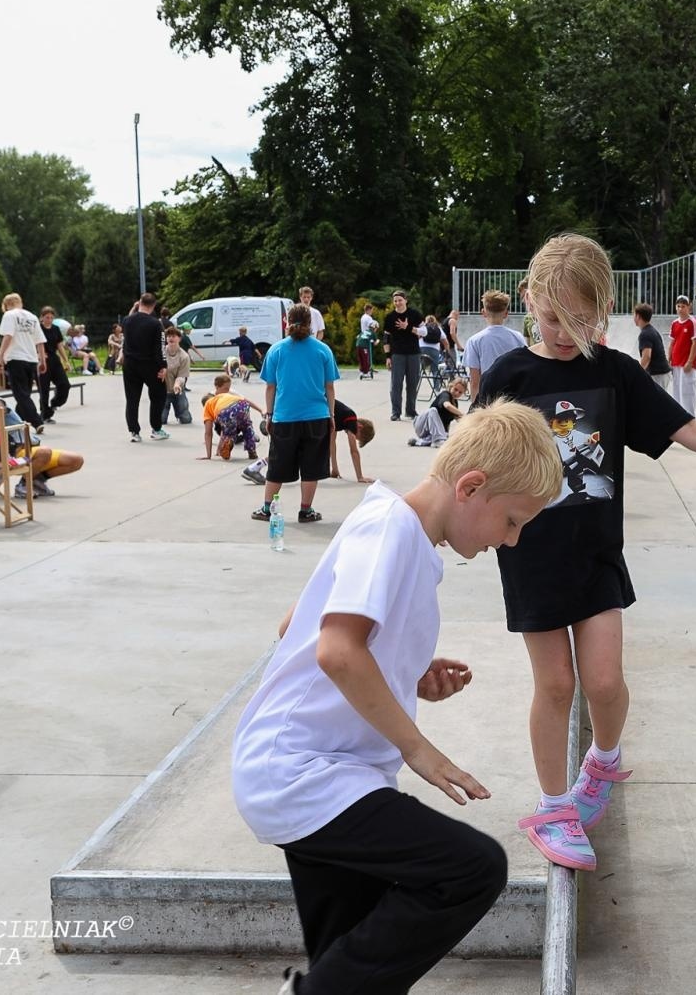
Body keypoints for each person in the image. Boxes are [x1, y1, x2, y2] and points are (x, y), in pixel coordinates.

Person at [475, 234, 696, 870]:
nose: (567, 333)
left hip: (597, 552)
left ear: (604, 309)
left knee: (603, 681)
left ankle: (603, 760)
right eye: (553, 319)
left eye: (582, 320)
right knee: (555, 683)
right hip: (532, 555)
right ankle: (552, 807)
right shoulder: (510, 376)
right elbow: (467, 459)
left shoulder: (615, 372)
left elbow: (687, 430)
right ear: (529, 301)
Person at [231, 401, 560, 995]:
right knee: (472, 869)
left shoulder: (396, 532)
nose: (510, 542)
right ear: (471, 487)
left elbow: (297, 626)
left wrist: (402, 669)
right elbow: (334, 650)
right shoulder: (389, 529)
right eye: (512, 521)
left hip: (327, 773)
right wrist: (420, 750)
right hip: (304, 774)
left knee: (354, 963)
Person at [254, 303, 340, 524]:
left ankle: (266, 509)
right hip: (316, 416)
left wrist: (269, 414)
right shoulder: (322, 350)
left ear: (286, 322)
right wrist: (331, 415)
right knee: (312, 466)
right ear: (311, 323)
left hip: (285, 417)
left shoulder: (277, 350)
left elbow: (270, 387)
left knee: (277, 465)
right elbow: (329, 387)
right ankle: (306, 510)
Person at [120, 293, 169, 443]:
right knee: (158, 395)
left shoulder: (127, 321)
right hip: (149, 365)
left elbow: (126, 337)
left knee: (132, 398)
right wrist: (163, 366)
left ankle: (134, 431)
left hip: (130, 364)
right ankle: (156, 428)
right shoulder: (155, 324)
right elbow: (160, 347)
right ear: (154, 306)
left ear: (139, 302)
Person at [0, 292, 47, 432]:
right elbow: (40, 341)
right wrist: (42, 360)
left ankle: (37, 421)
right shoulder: (32, 317)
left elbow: (8, 336)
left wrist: (1, 355)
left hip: (15, 358)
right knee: (25, 393)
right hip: (31, 359)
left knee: (21, 394)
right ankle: (17, 421)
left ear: (6, 305)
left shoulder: (9, 315)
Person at [465, 289, 527, 399]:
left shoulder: (474, 341)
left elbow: (475, 381)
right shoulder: (518, 337)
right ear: (506, 314)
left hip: (488, 397)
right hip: (513, 397)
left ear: (483, 312)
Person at [199, 373, 262, 461]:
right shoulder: (224, 395)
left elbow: (208, 433)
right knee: (247, 427)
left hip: (226, 410)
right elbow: (244, 400)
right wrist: (260, 410)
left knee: (228, 432)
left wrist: (208, 455)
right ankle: (252, 451)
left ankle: (228, 442)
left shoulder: (208, 405)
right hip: (242, 405)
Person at [383, 290, 424, 422]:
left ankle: (411, 411)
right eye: (395, 301)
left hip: (413, 353)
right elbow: (386, 338)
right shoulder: (390, 317)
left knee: (412, 383)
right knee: (396, 384)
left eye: (400, 300)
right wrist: (388, 356)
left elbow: (424, 332)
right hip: (397, 354)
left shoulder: (415, 314)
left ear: (406, 300)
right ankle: (395, 412)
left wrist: (409, 327)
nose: (398, 303)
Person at [409, 377, 466, 448]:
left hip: (432, 431)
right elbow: (447, 405)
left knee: (445, 436)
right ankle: (437, 440)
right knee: (433, 411)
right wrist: (462, 413)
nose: (457, 393)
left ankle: (419, 442)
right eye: (455, 389)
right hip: (422, 425)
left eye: (460, 392)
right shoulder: (445, 394)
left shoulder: (455, 403)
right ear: (451, 386)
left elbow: (457, 420)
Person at [328, 400, 376, 483]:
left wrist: (335, 469)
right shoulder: (351, 418)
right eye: (357, 437)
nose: (354, 438)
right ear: (360, 427)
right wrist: (360, 477)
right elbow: (354, 451)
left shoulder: (340, 418)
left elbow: (332, 441)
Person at [38, 307, 71, 424]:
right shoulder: (38, 329)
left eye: (52, 318)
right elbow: (34, 344)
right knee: (44, 389)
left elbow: (59, 345)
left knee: (65, 385)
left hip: (54, 360)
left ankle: (55, 402)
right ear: (42, 317)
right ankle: (45, 414)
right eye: (47, 317)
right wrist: (39, 356)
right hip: (43, 360)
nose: (49, 320)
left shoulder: (56, 329)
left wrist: (65, 360)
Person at [667, 296, 696, 412]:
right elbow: (672, 343)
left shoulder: (693, 322)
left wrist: (690, 362)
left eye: (683, 306)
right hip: (675, 363)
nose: (680, 309)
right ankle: (679, 418)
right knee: (677, 392)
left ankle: (690, 417)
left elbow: (695, 343)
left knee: (687, 393)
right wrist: (669, 360)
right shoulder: (674, 323)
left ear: (689, 307)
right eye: (678, 306)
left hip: (687, 364)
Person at [631, 303, 669, 390]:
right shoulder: (651, 330)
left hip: (657, 374)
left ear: (638, 316)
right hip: (661, 373)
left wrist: (638, 373)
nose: (633, 318)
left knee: (656, 401)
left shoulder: (645, 334)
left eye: (634, 315)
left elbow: (647, 357)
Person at [162, 326, 194, 426]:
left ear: (179, 338)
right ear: (166, 339)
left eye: (174, 336)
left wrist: (177, 384)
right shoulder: (161, 352)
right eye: (169, 336)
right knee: (161, 420)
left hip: (178, 390)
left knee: (186, 419)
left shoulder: (184, 356)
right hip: (163, 391)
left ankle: (179, 412)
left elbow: (182, 376)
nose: (171, 338)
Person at [419, 315, 446, 380]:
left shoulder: (423, 327)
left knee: (418, 368)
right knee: (435, 370)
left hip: (422, 349)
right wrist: (446, 351)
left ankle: (415, 386)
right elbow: (445, 341)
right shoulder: (438, 328)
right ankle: (436, 388)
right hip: (435, 350)